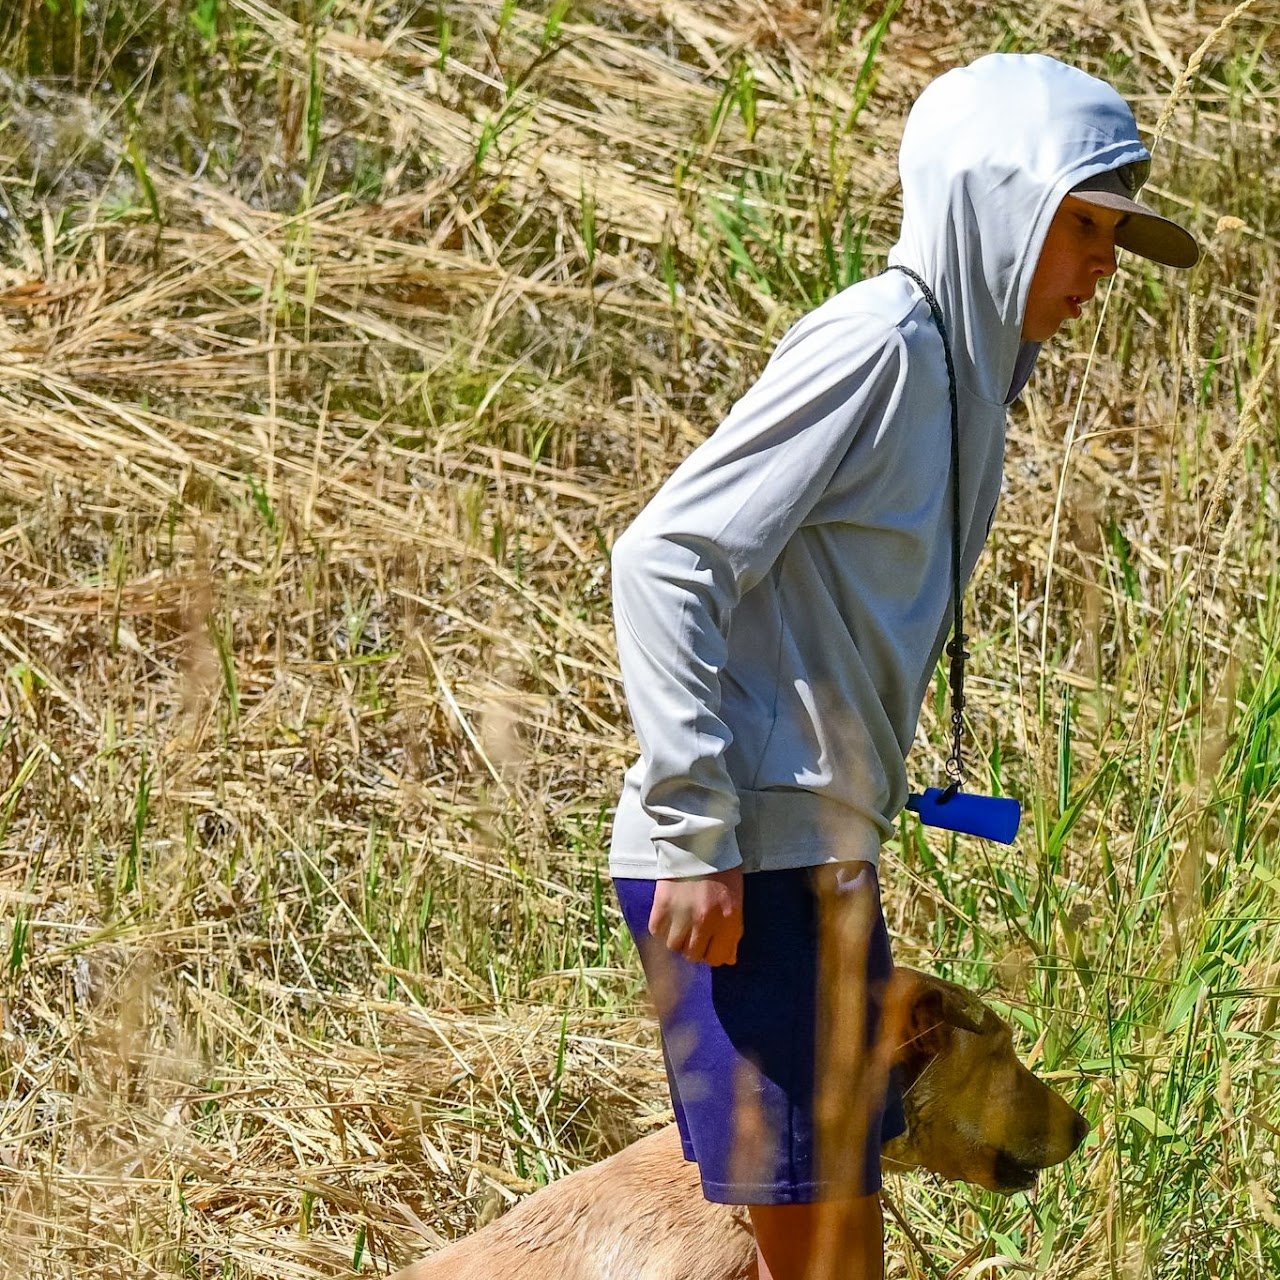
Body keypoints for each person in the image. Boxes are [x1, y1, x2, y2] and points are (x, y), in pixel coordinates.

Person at [608, 52, 1197, 1280]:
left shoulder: (958, 373)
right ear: (995, 207)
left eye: (1111, 237)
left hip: (807, 863)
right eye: (1081, 227)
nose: (1100, 267)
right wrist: (695, 826)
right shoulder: (878, 346)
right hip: (749, 874)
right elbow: (664, 558)